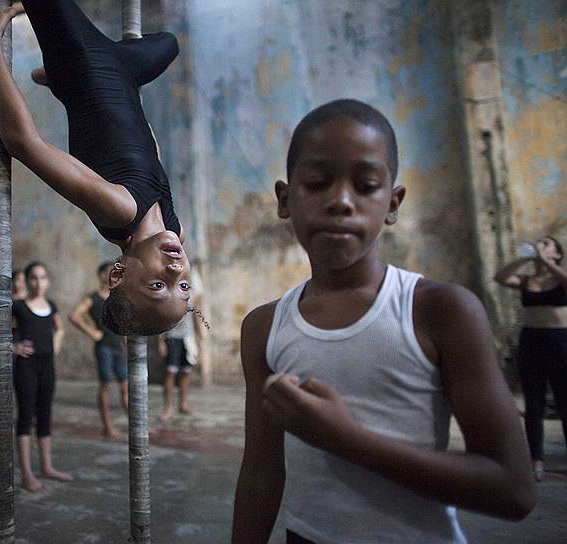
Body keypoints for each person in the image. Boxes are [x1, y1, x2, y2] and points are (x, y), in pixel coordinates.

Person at [232, 99, 536, 544]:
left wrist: (347, 440)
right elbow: (261, 471)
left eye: (366, 185)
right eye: (317, 183)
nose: (340, 201)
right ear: (285, 199)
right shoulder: (264, 327)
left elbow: (514, 490)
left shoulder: (440, 311)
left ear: (392, 203)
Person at [0, 0, 192, 336]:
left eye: (159, 285)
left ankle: (60, 74)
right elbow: (150, 154)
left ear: (117, 275)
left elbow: (23, 143)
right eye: (184, 287)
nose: (176, 270)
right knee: (169, 43)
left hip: (85, 62)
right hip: (125, 74)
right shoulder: (175, 228)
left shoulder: (118, 210)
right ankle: (56, 79)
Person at [495, 236, 567, 482]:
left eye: (546, 244)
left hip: (560, 342)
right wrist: (524, 258)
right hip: (531, 342)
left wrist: (545, 261)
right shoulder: (526, 281)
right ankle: (536, 459)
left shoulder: (559, 279)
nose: (540, 245)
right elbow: (501, 277)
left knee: (564, 400)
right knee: (533, 404)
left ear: (557, 254)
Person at [12, 261, 71, 492]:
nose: (39, 282)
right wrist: (12, 347)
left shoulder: (51, 305)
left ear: (47, 281)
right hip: (26, 367)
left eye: (43, 278)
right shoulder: (18, 306)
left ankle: (47, 467)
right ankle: (26, 474)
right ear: (27, 281)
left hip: (48, 366)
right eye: (34, 278)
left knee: (45, 415)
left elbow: (60, 328)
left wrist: (56, 342)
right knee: (26, 416)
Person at [69, 261, 128, 439]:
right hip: (104, 348)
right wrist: (92, 332)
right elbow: (74, 315)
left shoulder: (118, 297)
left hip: (119, 347)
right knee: (106, 387)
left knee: (126, 387)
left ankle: (137, 424)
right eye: (110, 272)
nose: (114, 276)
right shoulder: (93, 298)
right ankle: (108, 428)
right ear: (102, 275)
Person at [157, 309, 200, 422]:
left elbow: (197, 314)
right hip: (171, 337)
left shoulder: (195, 292)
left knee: (186, 372)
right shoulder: (169, 291)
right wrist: (160, 341)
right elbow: (162, 316)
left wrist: (199, 337)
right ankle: (168, 408)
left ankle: (183, 404)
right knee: (170, 372)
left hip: (188, 338)